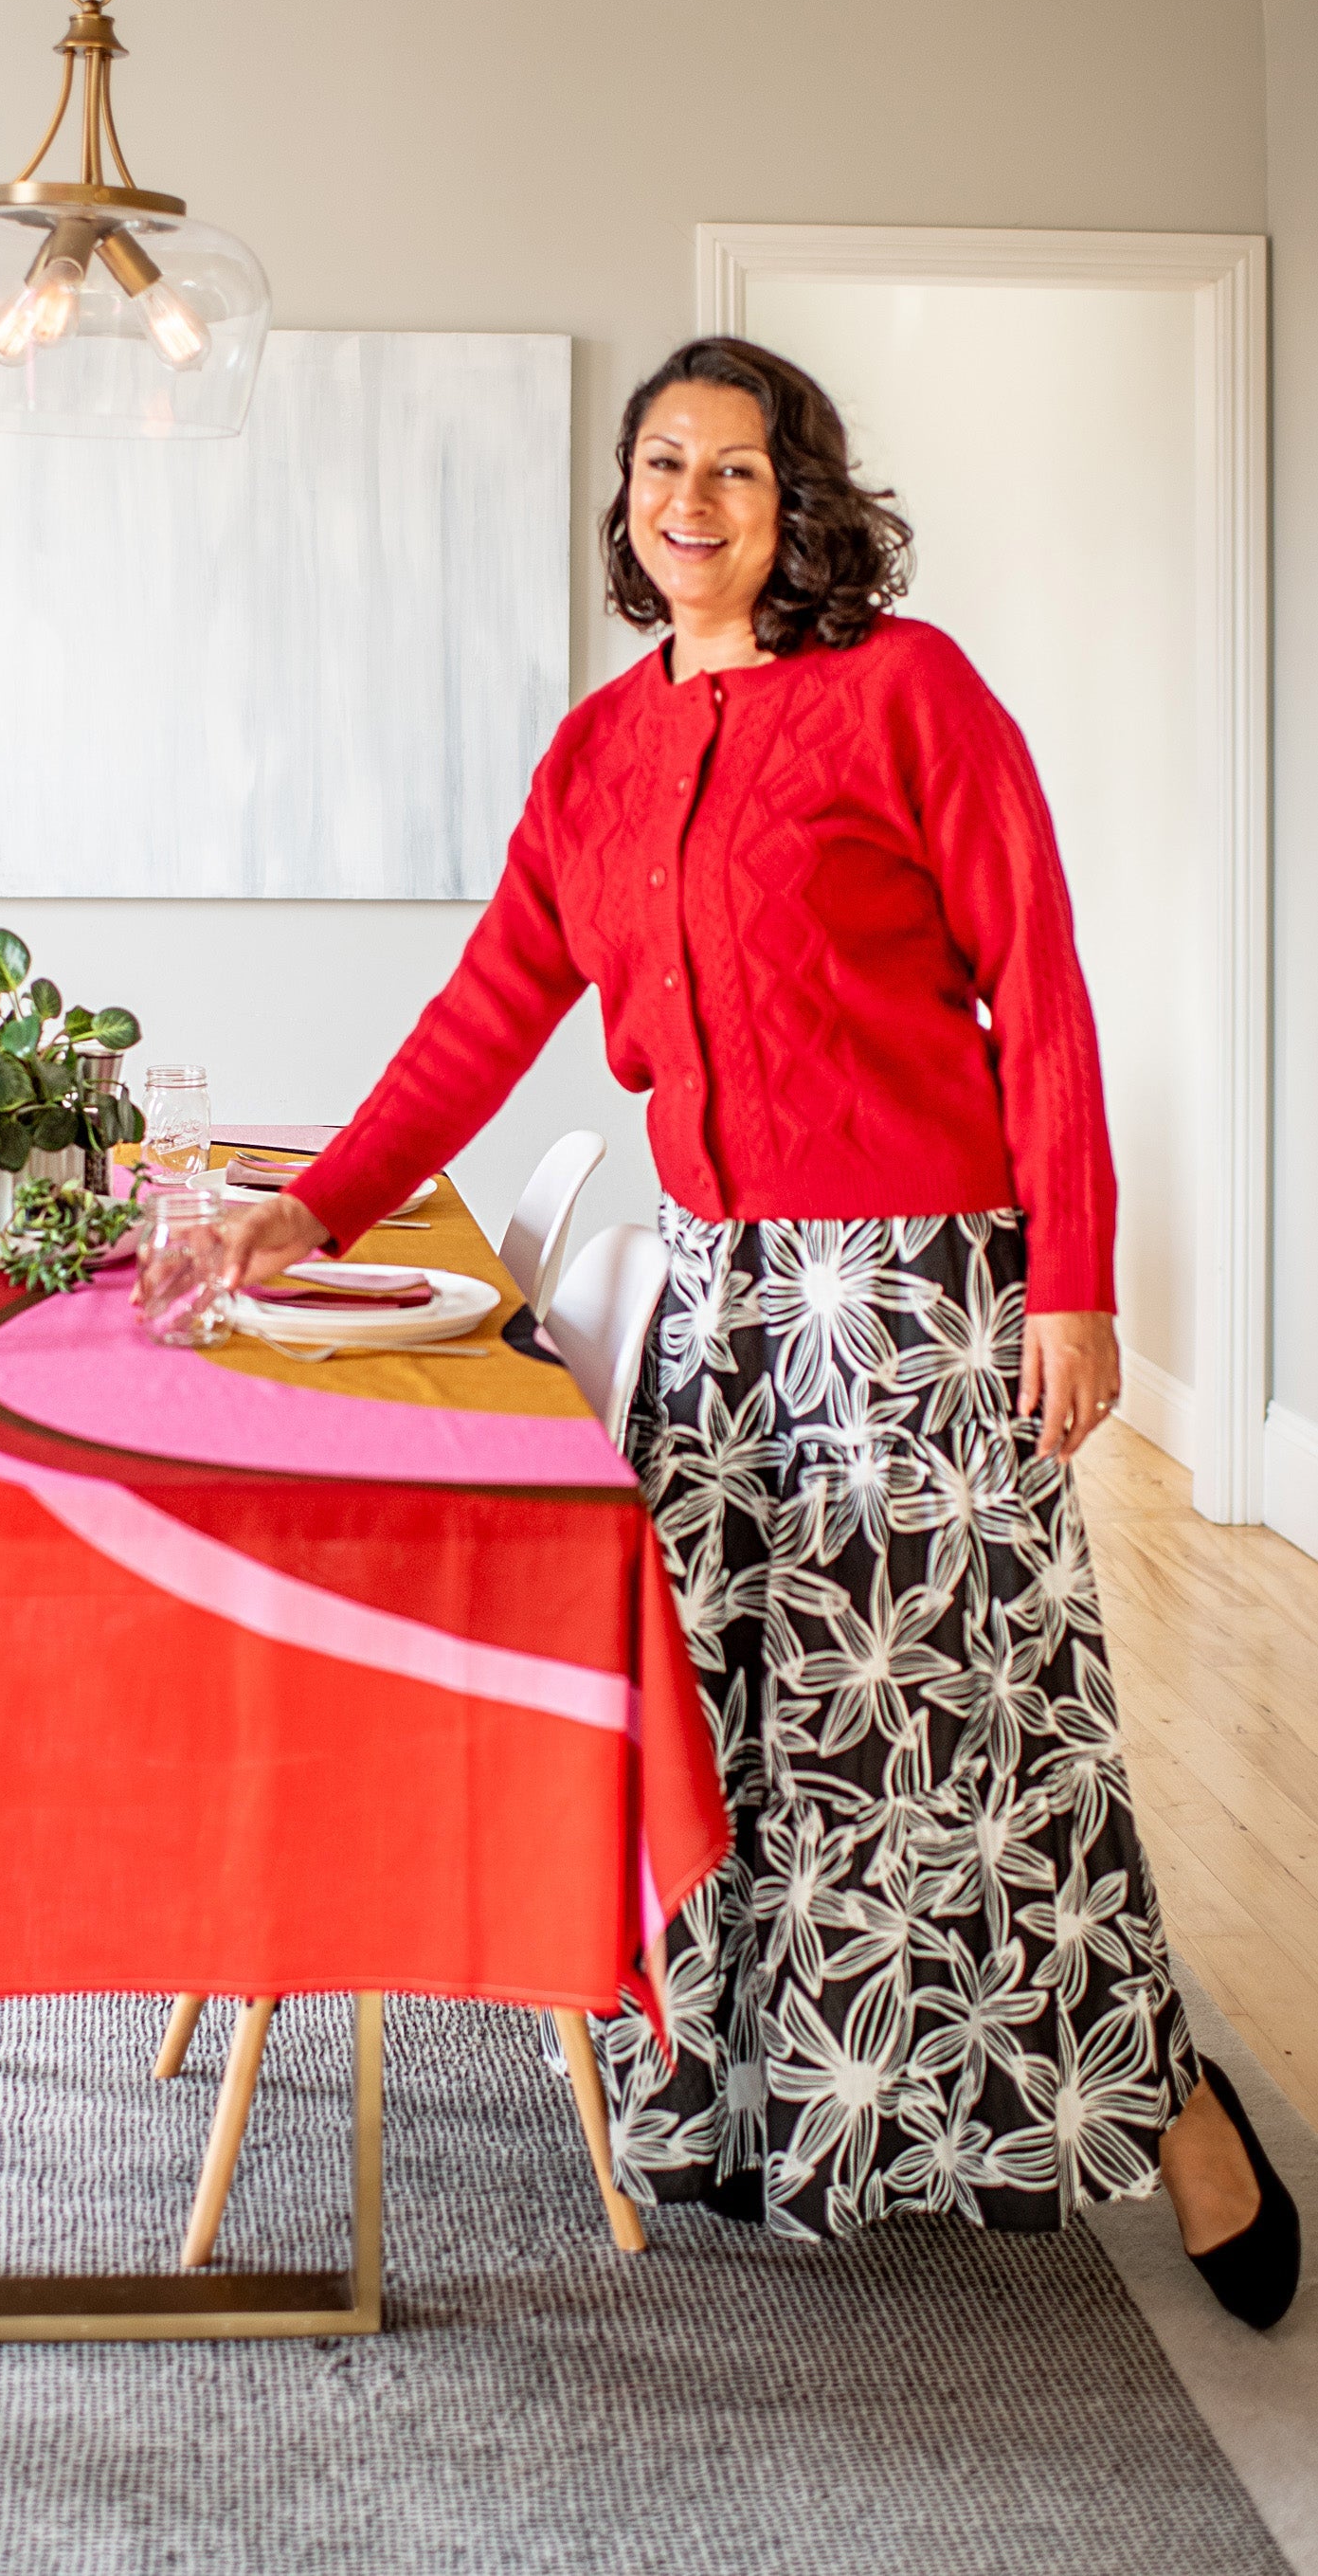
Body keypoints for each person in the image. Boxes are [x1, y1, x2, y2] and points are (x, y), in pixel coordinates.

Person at [220, 336, 1300, 2327]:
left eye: (733, 467)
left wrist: (1073, 1277)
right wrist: (309, 1208)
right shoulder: (596, 749)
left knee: (973, 1727)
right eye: (659, 464)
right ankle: (790, 2106)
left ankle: (1171, 2111)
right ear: (626, 503)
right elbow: (482, 1016)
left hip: (918, 1284)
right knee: (753, 1722)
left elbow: (1037, 990)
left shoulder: (907, 694)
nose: (689, 499)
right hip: (724, 1294)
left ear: (797, 499)